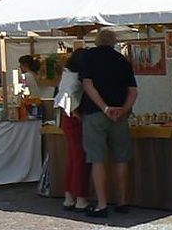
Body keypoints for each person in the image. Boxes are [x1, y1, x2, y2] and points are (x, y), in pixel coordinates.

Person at [78, 29, 137, 218]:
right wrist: (123, 109)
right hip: (119, 114)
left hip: (96, 113)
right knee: (122, 158)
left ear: (97, 41)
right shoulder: (122, 60)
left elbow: (87, 85)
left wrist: (104, 108)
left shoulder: (88, 56)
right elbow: (133, 91)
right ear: (114, 42)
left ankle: (102, 204)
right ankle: (123, 201)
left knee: (97, 159)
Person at [53, 50, 90, 212]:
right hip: (74, 118)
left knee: (73, 158)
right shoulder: (75, 77)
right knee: (80, 158)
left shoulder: (67, 74)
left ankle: (69, 196)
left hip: (67, 118)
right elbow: (69, 97)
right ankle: (80, 198)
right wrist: (76, 113)